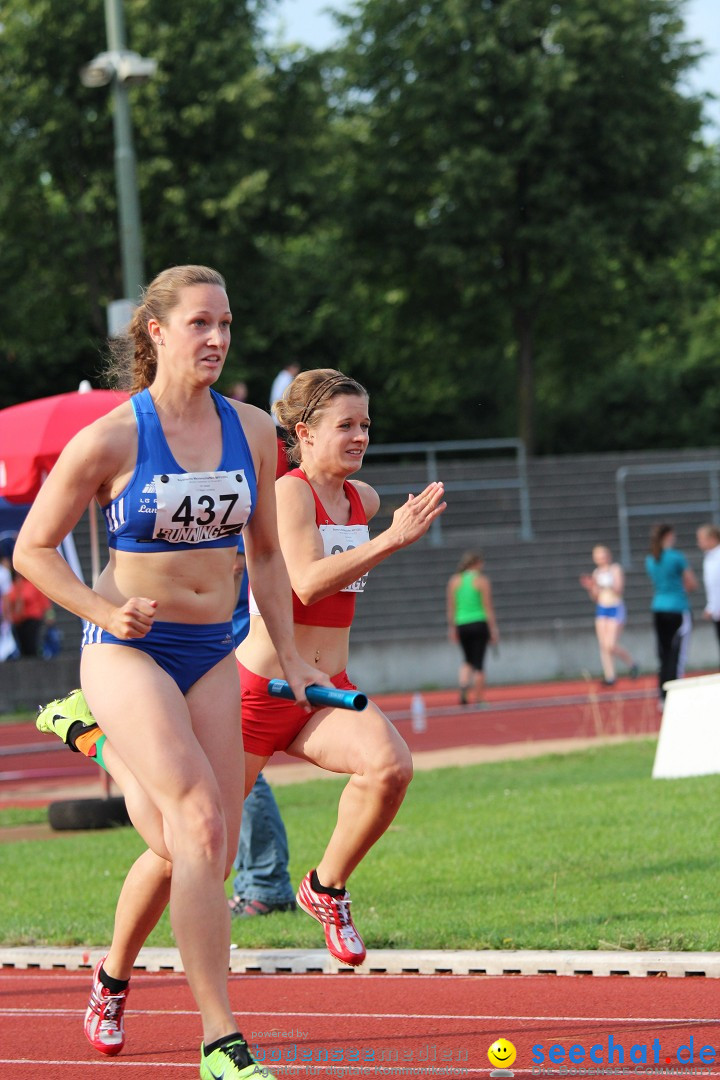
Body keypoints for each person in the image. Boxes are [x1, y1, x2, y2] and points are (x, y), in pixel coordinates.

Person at [38, 367, 446, 1015]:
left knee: (390, 766)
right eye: (346, 425)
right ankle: (114, 974)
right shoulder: (287, 494)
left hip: (321, 685)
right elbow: (305, 581)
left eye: (366, 425)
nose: (360, 436)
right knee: (185, 852)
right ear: (304, 435)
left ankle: (325, 886)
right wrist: (394, 540)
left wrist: (384, 532)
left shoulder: (363, 500)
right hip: (257, 689)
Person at [15, 264, 324, 1080]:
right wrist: (98, 610)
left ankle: (112, 973)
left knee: (194, 851)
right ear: (156, 333)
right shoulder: (113, 436)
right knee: (199, 820)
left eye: (225, 323)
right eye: (199, 324)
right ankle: (222, 1040)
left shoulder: (255, 431)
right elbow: (31, 550)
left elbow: (262, 550)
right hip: (127, 648)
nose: (217, 338)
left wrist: (287, 649)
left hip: (211, 649)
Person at [228, 538, 296, 917]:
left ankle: (266, 882)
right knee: (229, 772)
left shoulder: (240, 498)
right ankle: (254, 881)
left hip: (240, 656)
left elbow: (240, 560)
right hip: (225, 653)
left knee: (240, 773)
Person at [645, 523, 698, 705]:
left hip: (658, 608)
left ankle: (663, 695)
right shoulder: (676, 557)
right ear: (668, 535)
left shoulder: (651, 558)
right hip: (677, 608)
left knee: (664, 654)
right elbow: (691, 583)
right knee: (678, 655)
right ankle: (675, 696)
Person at [579, 544, 638, 686]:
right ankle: (610, 675)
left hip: (615, 607)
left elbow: (618, 589)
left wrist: (603, 584)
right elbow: (595, 597)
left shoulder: (615, 569)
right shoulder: (596, 573)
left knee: (611, 644)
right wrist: (591, 587)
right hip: (602, 608)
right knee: (604, 645)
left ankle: (632, 664)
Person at [446, 551, 498, 705]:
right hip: (479, 622)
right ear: (476, 564)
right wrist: (493, 629)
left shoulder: (454, 581)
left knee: (467, 660)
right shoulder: (481, 581)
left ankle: (463, 687)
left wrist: (452, 628)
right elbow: (488, 607)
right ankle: (479, 698)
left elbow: (451, 607)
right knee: (479, 662)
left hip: (461, 623)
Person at [1, 569, 52, 657]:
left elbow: (44, 602)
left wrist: (49, 616)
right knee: (21, 648)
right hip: (18, 621)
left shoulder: (32, 584)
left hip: (32, 618)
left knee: (31, 645)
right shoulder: (13, 585)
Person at [269, 361, 300, 478]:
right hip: (281, 420)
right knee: (289, 448)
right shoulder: (286, 378)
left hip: (277, 418)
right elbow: (285, 399)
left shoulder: (280, 378)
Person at [696, 523, 720, 666]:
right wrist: (711, 607)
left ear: (712, 538)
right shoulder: (709, 557)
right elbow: (712, 585)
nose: (699, 543)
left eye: (702, 539)